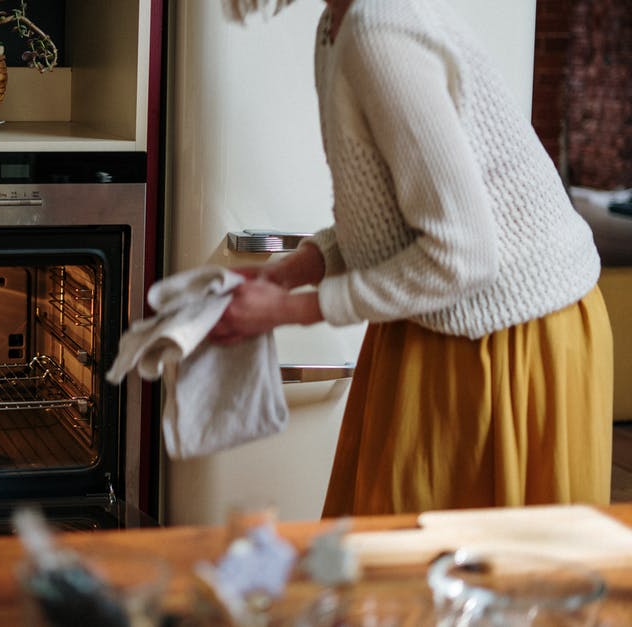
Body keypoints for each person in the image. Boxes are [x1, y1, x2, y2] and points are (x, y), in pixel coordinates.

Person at [209, 0, 613, 516]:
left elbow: (463, 254)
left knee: (475, 575)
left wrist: (291, 311)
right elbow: (386, 215)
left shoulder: (379, 33)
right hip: (436, 319)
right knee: (399, 564)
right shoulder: (336, 30)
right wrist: (287, 274)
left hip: (514, 335)